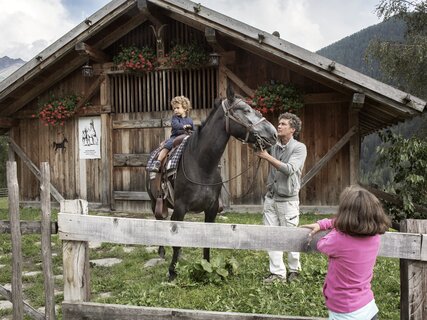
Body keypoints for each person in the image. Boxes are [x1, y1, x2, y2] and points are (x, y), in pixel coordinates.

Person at [301, 185, 391, 320]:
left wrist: (328, 225)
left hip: (345, 313)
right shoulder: (375, 237)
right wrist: (326, 224)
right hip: (368, 307)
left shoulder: (338, 240)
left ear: (345, 214)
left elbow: (321, 245)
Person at [256, 112, 307, 283]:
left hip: (288, 201)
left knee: (291, 236)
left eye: (283, 124)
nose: (279, 126)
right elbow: (257, 141)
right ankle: (277, 273)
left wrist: (267, 156)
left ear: (292, 129)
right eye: (279, 123)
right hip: (271, 198)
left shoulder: (299, 148)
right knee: (271, 236)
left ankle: (294, 271)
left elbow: (290, 169)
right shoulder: (274, 145)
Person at [150, 95, 194, 172]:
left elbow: (193, 129)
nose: (175, 110)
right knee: (168, 145)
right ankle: (158, 162)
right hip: (175, 137)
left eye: (178, 108)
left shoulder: (190, 120)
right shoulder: (175, 118)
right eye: (174, 108)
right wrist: (183, 126)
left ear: (185, 108)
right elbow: (175, 125)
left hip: (186, 137)